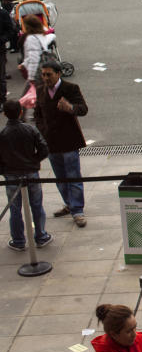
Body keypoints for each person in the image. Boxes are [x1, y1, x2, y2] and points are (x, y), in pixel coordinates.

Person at [35, 60, 88, 228]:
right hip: (51, 142)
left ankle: (77, 210)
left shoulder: (70, 88)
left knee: (73, 175)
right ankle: (69, 203)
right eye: (43, 75)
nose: (45, 78)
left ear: (58, 74)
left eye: (49, 74)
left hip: (69, 140)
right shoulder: (40, 90)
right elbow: (38, 114)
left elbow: (83, 109)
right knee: (60, 177)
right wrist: (42, 130)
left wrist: (70, 108)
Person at [0, 100, 53, 251]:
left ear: (4, 114)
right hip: (31, 172)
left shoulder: (2, 134)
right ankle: (41, 236)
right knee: (36, 204)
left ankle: (18, 240)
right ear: (21, 112)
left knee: (15, 208)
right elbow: (44, 149)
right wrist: (34, 162)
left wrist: (4, 170)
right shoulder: (30, 130)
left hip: (11, 174)